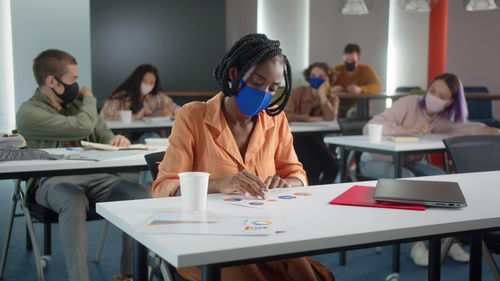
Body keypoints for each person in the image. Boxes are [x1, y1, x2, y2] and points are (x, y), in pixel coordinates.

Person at [152, 34, 335, 281]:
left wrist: (287, 183)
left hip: (265, 231)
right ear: (234, 74)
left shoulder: (275, 119)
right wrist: (218, 184)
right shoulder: (193, 116)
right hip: (208, 238)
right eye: (258, 82)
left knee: (305, 274)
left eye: (273, 88)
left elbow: (298, 174)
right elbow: (164, 187)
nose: (265, 94)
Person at [16, 49, 151, 281]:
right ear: (51, 81)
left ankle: (129, 274)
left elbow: (103, 132)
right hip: (51, 183)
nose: (78, 87)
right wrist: (90, 99)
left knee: (141, 193)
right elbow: (80, 126)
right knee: (73, 199)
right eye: (73, 80)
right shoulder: (29, 112)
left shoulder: (79, 105)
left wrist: (115, 140)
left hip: (96, 178)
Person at [359, 72, 500, 267]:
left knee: (442, 178)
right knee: (406, 180)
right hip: (374, 159)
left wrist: (489, 130)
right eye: (432, 91)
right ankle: (415, 243)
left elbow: (462, 129)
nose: (434, 98)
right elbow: (370, 127)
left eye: (442, 96)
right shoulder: (408, 103)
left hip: (406, 162)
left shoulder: (441, 119)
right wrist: (405, 129)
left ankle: (447, 240)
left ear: (450, 102)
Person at [285, 62, 339, 184]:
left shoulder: (332, 98)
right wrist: (310, 119)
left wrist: (322, 96)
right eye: (313, 75)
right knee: (312, 167)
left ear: (328, 80)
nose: (316, 79)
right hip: (295, 140)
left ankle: (322, 192)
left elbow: (331, 119)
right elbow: (286, 115)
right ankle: (309, 194)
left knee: (333, 167)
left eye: (321, 76)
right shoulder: (298, 92)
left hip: (316, 140)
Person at [100, 64, 180, 141]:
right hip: (124, 137)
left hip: (148, 135)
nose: (148, 85)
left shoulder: (157, 97)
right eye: (144, 80)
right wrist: (135, 116)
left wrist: (171, 113)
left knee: (152, 137)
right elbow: (104, 114)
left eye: (151, 82)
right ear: (137, 79)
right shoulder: (121, 97)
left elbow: (180, 110)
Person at [332, 43, 382, 117]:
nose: (349, 62)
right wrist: (333, 89)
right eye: (346, 60)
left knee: (353, 114)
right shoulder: (337, 70)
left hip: (357, 105)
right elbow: (326, 86)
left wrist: (361, 89)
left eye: (352, 60)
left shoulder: (367, 70)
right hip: (339, 105)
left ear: (358, 60)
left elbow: (378, 86)